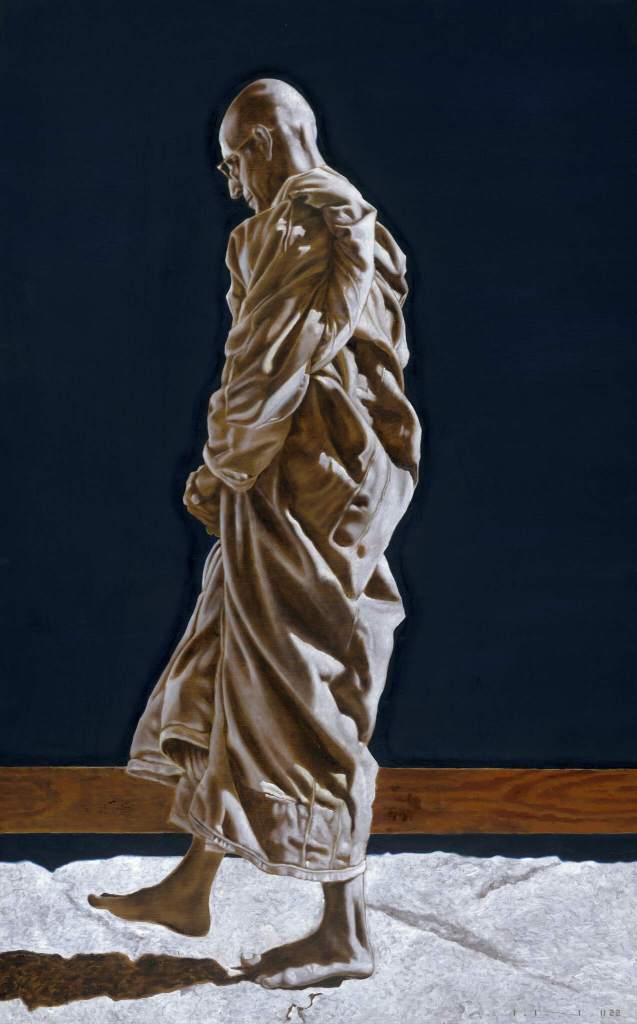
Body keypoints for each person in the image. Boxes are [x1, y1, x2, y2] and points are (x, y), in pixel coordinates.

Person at [89, 77, 421, 990]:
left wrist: (220, 466)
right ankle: (192, 887)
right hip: (304, 472)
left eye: (234, 162)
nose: (232, 181)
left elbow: (267, 364)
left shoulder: (307, 221)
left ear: (268, 143)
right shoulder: (328, 219)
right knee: (238, 659)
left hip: (307, 478)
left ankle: (344, 933)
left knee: (305, 685)